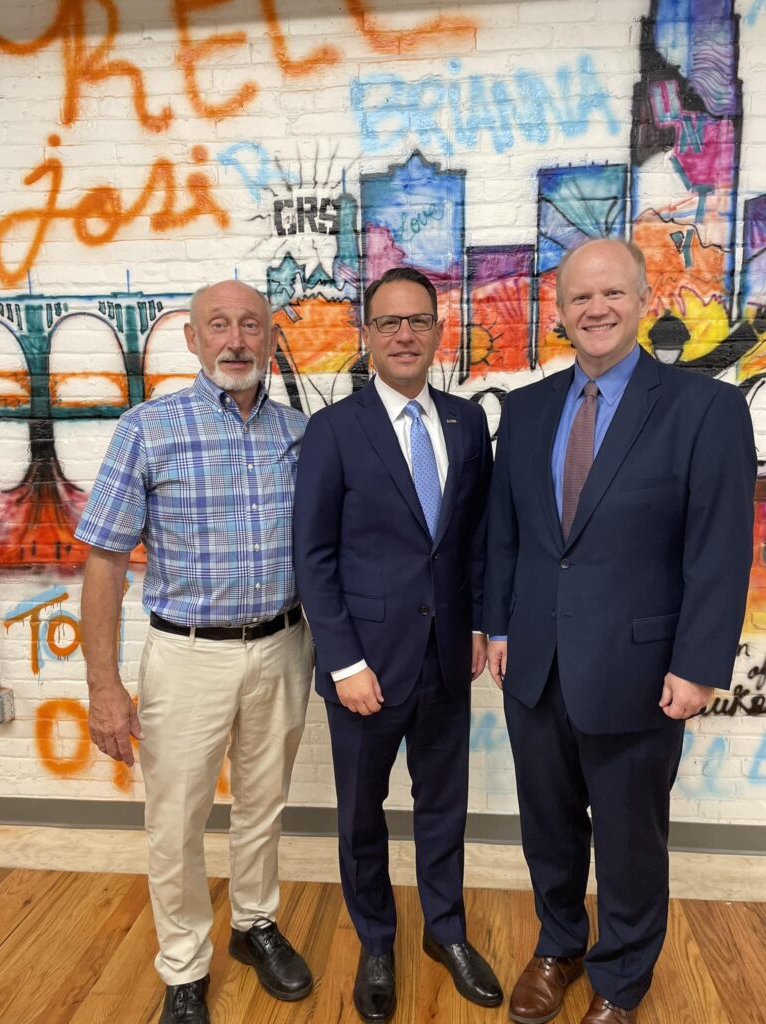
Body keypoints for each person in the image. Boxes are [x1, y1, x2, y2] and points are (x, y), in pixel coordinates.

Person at [484, 237, 756, 1024]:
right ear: (559, 312)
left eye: (612, 294)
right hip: (535, 665)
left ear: (644, 301)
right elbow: (509, 534)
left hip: (640, 671)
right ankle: (560, 944)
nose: (595, 309)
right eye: (579, 298)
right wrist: (499, 626)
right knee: (548, 825)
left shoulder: (705, 408)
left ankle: (622, 979)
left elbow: (720, 546)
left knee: (632, 841)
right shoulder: (530, 410)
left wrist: (700, 664)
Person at [76, 280, 315, 1024]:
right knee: (176, 821)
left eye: (251, 325)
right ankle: (183, 966)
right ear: (192, 339)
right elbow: (104, 563)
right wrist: (104, 688)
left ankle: (254, 925)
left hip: (283, 645)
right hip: (185, 656)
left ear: (271, 339)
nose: (236, 340)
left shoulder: (299, 434)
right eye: (219, 325)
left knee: (264, 805)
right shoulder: (147, 429)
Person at [293, 267, 501, 1022]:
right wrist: (343, 660)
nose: (405, 334)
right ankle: (377, 938)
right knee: (361, 815)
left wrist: (479, 622)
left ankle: (444, 931)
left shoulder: (465, 422)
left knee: (444, 808)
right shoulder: (334, 430)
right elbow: (313, 556)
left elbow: (474, 538)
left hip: (447, 658)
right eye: (389, 323)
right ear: (368, 337)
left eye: (418, 321)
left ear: (439, 331)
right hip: (365, 670)